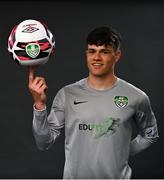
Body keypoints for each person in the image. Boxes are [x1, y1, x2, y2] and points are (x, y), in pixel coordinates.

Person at [28, 26, 159, 179]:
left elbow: (150, 134)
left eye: (104, 51)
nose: (96, 57)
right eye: (92, 51)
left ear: (117, 55)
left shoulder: (136, 97)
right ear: (86, 54)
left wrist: (122, 151)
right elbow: (44, 142)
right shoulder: (67, 94)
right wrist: (39, 105)